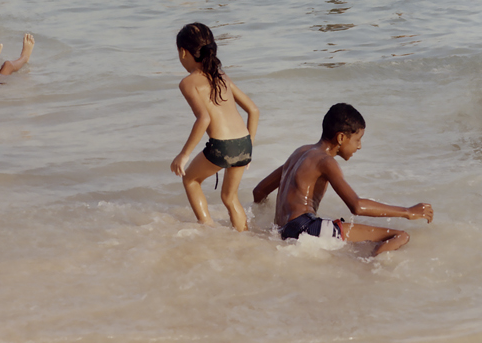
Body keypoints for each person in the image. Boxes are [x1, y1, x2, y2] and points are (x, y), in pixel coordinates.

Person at [252, 103, 433, 254]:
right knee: (399, 236)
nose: (359, 146)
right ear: (341, 137)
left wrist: (264, 219)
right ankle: (369, 275)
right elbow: (357, 206)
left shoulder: (300, 153)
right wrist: (408, 212)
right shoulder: (326, 161)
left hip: (283, 231)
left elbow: (259, 191)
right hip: (306, 228)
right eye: (357, 139)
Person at [169, 23, 260, 231]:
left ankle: (207, 229)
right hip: (244, 144)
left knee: (191, 180)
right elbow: (254, 110)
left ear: (183, 52)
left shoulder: (188, 82)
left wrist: (184, 154)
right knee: (230, 197)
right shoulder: (222, 77)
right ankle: (244, 236)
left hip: (222, 146)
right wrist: (250, 147)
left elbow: (203, 119)